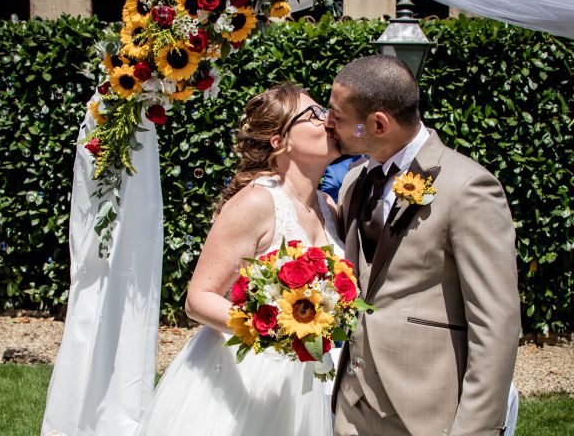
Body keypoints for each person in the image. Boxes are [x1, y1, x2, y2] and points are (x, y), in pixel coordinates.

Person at [326, 55, 521, 436]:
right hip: (351, 408)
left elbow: (495, 322)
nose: (329, 123)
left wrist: (476, 429)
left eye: (338, 115)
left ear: (378, 124)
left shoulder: (468, 187)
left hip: (425, 413)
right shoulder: (353, 182)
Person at [139, 83, 344, 436]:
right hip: (245, 375)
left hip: (307, 377)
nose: (329, 121)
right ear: (280, 141)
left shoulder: (329, 207)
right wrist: (272, 330)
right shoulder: (257, 202)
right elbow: (198, 298)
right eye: (314, 114)